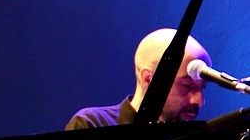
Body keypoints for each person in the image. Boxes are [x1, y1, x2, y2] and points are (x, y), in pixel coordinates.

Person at [65, 28, 211, 129]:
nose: (199, 101)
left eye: (202, 87)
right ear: (149, 78)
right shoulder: (93, 123)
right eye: (186, 85)